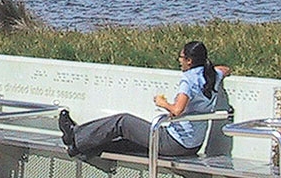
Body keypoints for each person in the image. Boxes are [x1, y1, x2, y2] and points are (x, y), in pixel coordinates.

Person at [58, 41, 231, 159]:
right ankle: (79, 147)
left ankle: (74, 135)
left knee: (123, 122)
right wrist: (209, 68)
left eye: (181, 57)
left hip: (174, 142)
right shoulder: (213, 75)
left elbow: (177, 110)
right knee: (124, 143)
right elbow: (225, 69)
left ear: (189, 61)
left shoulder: (188, 80)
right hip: (193, 144)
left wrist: (162, 103)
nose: (179, 61)